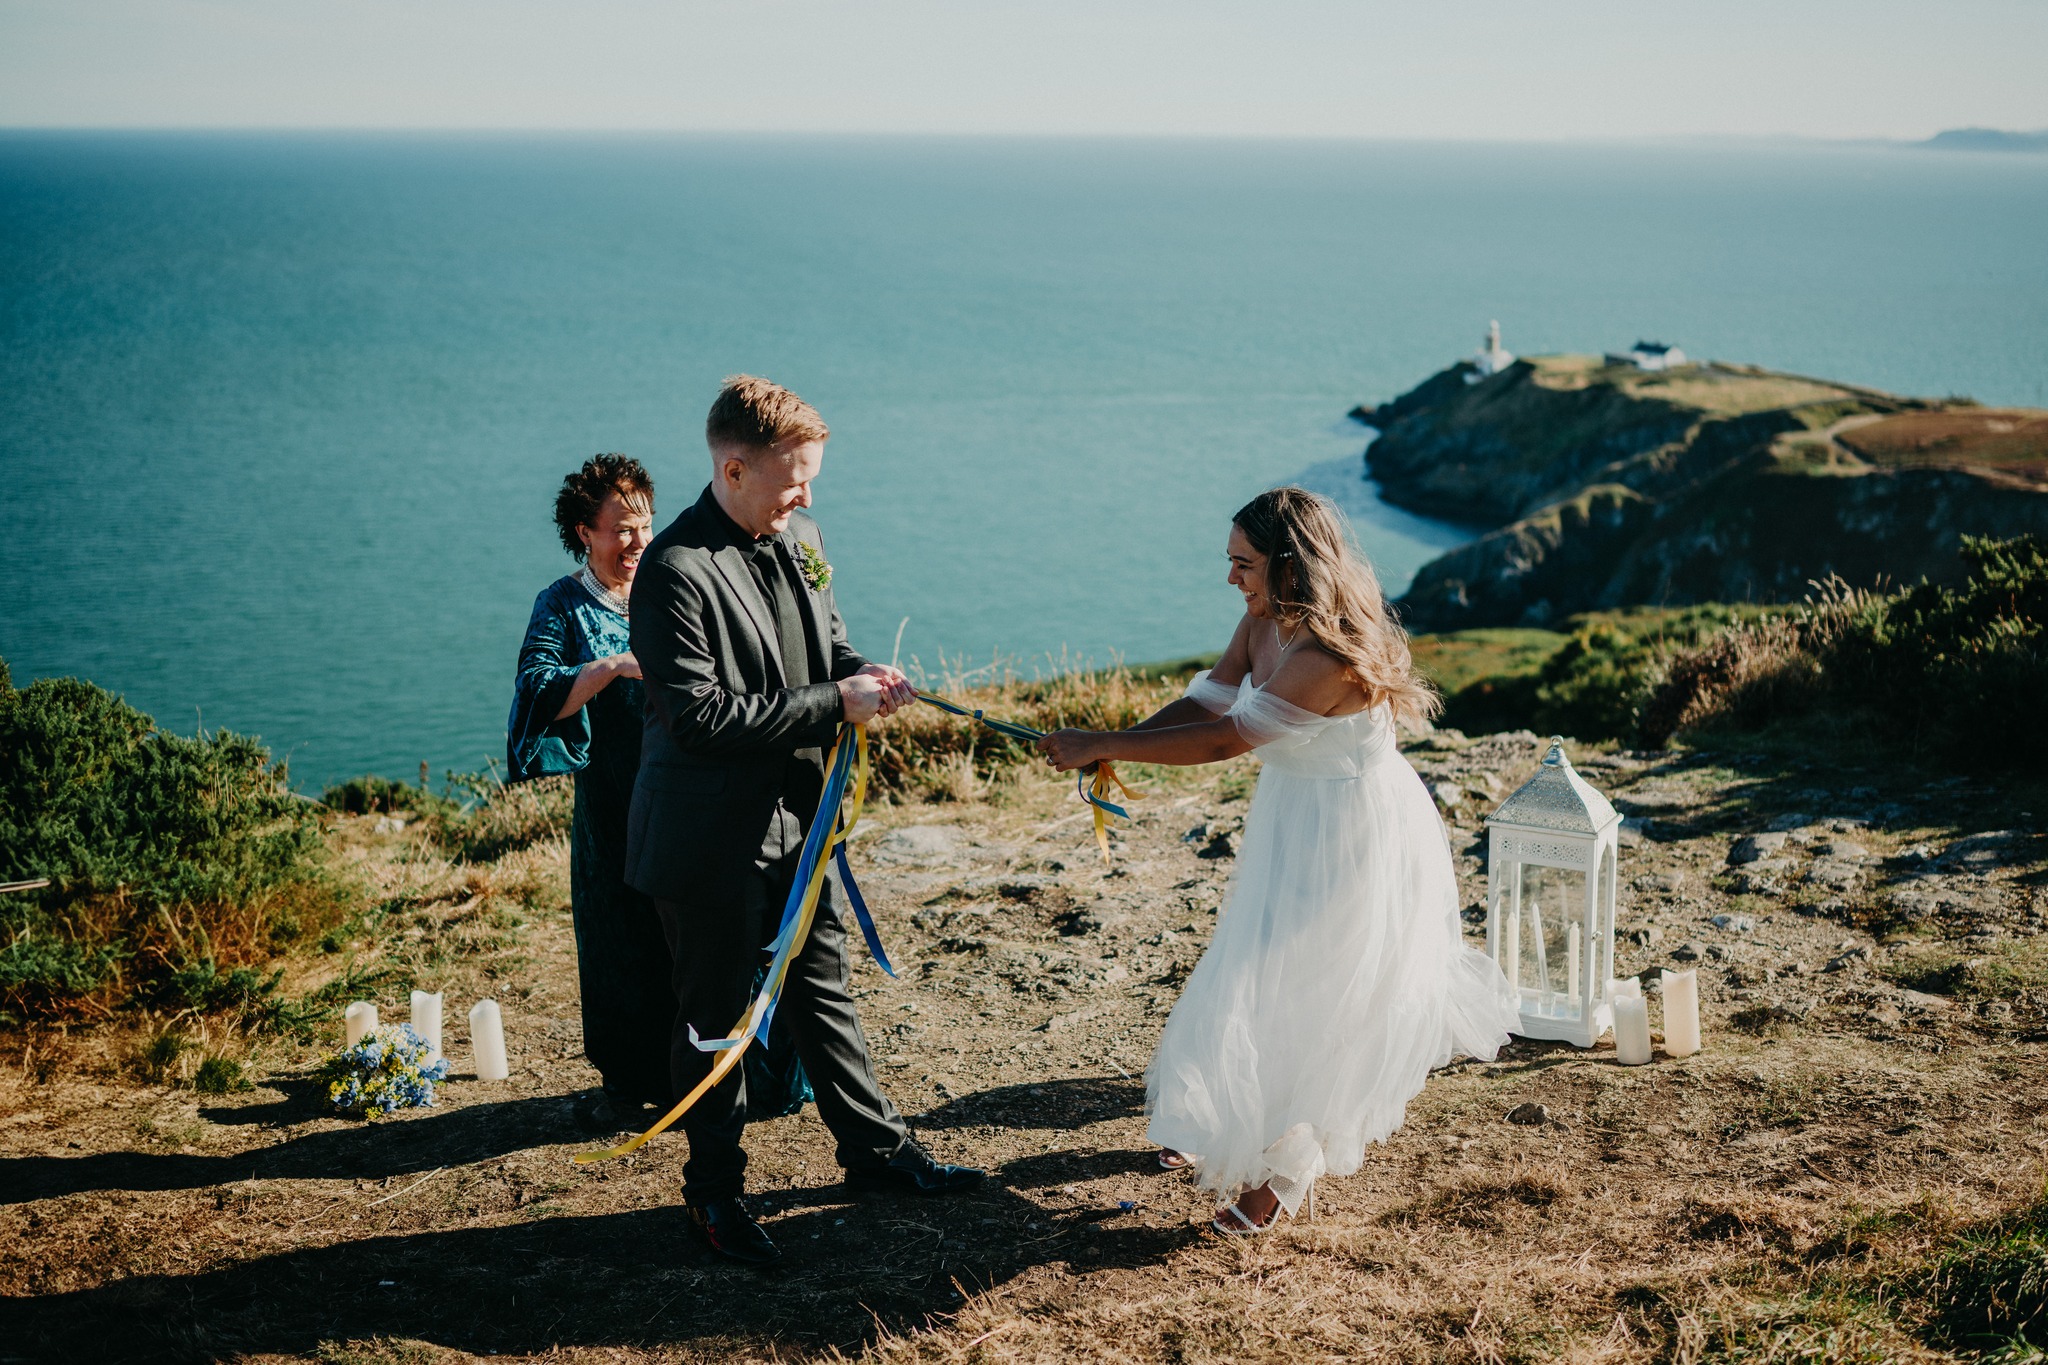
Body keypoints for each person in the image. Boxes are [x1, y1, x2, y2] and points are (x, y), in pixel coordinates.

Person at [1038, 487, 1519, 1235]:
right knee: (1252, 967)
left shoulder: (1326, 656)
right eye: (1230, 562)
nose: (1232, 579)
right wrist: (1109, 736)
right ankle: (1224, 1119)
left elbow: (1230, 738)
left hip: (1357, 830)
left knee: (1324, 994)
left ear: (1291, 565)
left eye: (1245, 564)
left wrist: (1103, 744)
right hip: (1294, 817)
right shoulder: (1260, 621)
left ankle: (1286, 1170)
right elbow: (1205, 706)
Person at [626, 375, 984, 1267]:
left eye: (813, 479)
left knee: (824, 990)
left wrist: (866, 674)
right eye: (794, 480)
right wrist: (838, 700)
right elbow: (702, 717)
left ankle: (874, 1151)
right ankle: (713, 1195)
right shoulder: (672, 571)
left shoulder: (803, 535)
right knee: (715, 1022)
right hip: (706, 842)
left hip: (802, 821)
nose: (807, 498)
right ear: (733, 467)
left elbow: (828, 641)